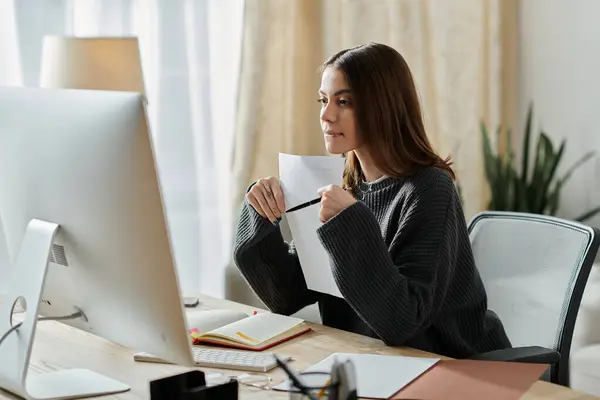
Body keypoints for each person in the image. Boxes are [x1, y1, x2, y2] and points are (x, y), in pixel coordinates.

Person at [233, 42, 511, 358]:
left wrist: (350, 224)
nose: (326, 114)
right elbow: (286, 295)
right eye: (324, 100)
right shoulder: (346, 187)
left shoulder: (430, 190)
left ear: (382, 106)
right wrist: (259, 212)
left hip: (451, 365)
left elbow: (402, 322)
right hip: (371, 361)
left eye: (344, 101)